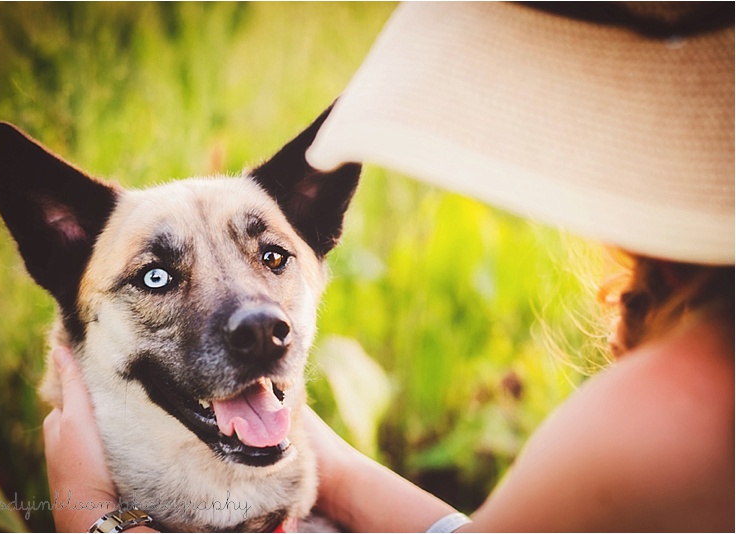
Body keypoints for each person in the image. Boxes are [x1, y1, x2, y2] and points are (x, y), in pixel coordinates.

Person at [44, 3, 734, 532]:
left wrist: (92, 514)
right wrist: (335, 470)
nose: (257, 314)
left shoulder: (679, 406)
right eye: (157, 277)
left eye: (274, 258)